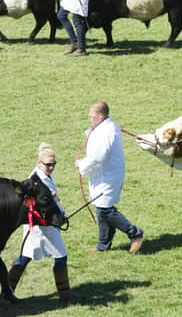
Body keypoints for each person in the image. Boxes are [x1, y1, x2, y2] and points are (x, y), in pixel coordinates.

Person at [7, 143, 77, 304]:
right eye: (48, 164)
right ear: (39, 163)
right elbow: (28, 204)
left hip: (47, 224)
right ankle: (65, 295)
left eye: (54, 164)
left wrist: (60, 214)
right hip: (39, 227)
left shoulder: (44, 176)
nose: (51, 167)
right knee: (57, 256)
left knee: (27, 257)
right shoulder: (33, 181)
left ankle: (7, 290)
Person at [76, 101, 144, 254]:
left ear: (100, 116)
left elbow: (98, 157)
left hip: (108, 176)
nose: (89, 118)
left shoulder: (106, 131)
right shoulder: (105, 126)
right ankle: (103, 245)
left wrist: (81, 164)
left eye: (92, 116)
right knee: (102, 209)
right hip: (105, 175)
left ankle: (135, 233)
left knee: (105, 210)